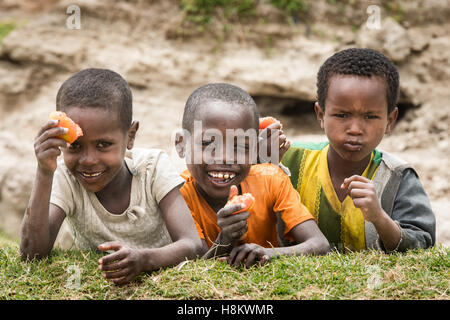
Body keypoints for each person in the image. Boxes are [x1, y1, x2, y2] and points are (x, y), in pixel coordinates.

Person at [20, 68, 202, 284]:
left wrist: (145, 259)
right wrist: (44, 170)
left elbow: (192, 244)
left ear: (130, 136)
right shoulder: (65, 177)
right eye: (75, 146)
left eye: (103, 145)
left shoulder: (153, 168)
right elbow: (32, 253)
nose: (88, 159)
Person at [281, 48, 436, 253]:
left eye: (370, 117)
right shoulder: (289, 160)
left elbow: (422, 245)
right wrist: (266, 164)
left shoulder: (398, 178)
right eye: (342, 115)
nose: (355, 129)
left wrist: (379, 217)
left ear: (390, 120)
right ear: (320, 114)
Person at [175, 83, 329, 268]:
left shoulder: (271, 179)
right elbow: (193, 265)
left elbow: (319, 244)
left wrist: (268, 253)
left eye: (241, 146)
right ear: (182, 144)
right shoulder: (177, 194)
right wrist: (225, 238)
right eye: (209, 143)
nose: (225, 158)